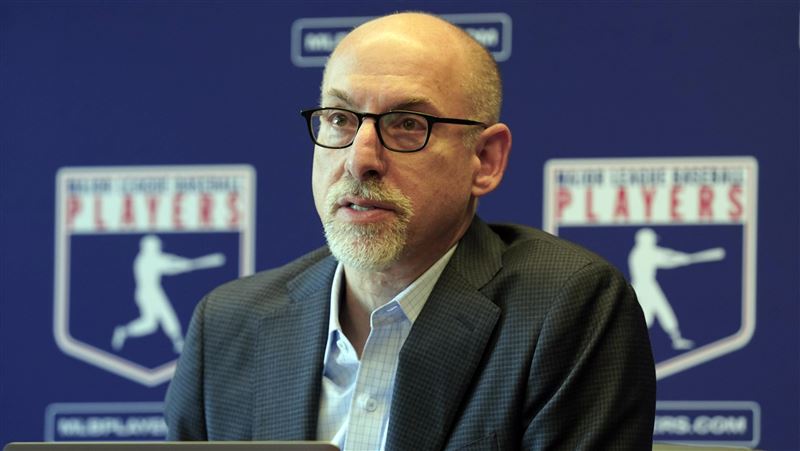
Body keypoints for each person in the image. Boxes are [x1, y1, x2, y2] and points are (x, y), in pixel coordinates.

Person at [165, 12, 656, 450]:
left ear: (485, 160)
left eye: (406, 124)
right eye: (340, 119)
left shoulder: (565, 309)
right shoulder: (226, 324)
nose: (359, 159)